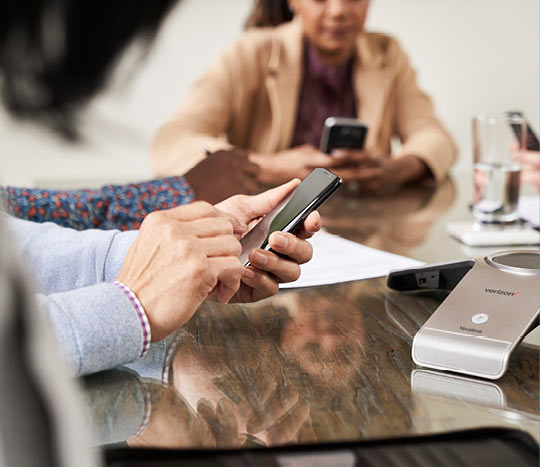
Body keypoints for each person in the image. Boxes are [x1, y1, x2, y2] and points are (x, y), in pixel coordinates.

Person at [0, 0, 321, 378]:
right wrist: (132, 306)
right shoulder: (253, 50)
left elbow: (12, 236)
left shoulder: (385, 57)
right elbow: (177, 138)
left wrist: (177, 260)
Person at [151, 0, 457, 194]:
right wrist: (265, 166)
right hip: (268, 227)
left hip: (361, 226)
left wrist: (397, 168)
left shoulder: (387, 53)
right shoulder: (250, 52)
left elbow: (435, 137)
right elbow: (171, 143)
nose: (338, 11)